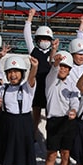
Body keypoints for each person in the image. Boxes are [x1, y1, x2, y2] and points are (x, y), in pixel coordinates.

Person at [43, 51, 80, 165]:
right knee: (51, 154)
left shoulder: (71, 85)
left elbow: (75, 101)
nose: (62, 69)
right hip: (53, 121)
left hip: (68, 122)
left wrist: (74, 111)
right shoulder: (50, 81)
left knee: (66, 153)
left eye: (66, 67)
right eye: (61, 66)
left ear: (70, 70)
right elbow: (53, 72)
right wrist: (55, 64)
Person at [23, 8, 54, 139]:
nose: (44, 41)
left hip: (48, 87)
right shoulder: (33, 51)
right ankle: (34, 138)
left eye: (47, 39)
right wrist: (30, 18)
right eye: (42, 38)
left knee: (50, 116)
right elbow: (27, 35)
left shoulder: (53, 53)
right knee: (35, 116)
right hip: (36, 86)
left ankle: (49, 139)